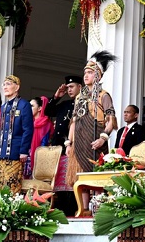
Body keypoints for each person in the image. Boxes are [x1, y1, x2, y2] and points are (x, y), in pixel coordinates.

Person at [66, 51, 117, 216]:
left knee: (96, 176)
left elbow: (111, 120)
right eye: (85, 72)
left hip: (96, 140)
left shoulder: (104, 95)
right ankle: (84, 209)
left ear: (98, 76)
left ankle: (99, 209)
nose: (85, 75)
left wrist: (104, 137)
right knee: (81, 176)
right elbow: (74, 120)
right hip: (80, 140)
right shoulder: (79, 97)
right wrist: (69, 142)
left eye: (89, 72)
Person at [45, 75, 82, 216]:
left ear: (80, 87)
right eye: (67, 88)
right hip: (58, 147)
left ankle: (71, 209)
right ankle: (59, 209)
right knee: (58, 180)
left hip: (73, 146)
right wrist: (56, 97)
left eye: (72, 87)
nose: (69, 90)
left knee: (70, 180)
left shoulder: (85, 104)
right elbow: (48, 111)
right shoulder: (65, 104)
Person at [0, 76, 33, 193]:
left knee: (12, 184)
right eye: (4, 84)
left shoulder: (24, 105)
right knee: (0, 185)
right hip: (3, 153)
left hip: (16, 151)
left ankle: (10, 210)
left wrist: (23, 151)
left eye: (8, 84)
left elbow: (28, 130)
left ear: (17, 87)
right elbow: (0, 131)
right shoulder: (4, 107)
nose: (5, 87)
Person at [23, 96, 54, 179]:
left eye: (32, 106)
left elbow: (44, 143)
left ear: (40, 108)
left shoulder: (46, 123)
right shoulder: (27, 122)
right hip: (25, 155)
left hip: (38, 157)